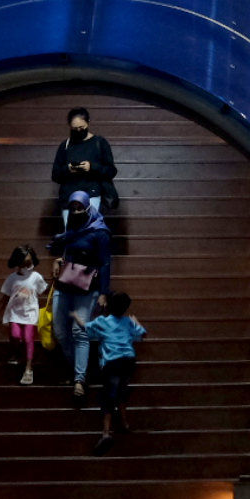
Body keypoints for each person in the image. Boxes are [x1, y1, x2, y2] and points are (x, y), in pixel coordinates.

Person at [48, 190, 113, 403]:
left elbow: (105, 263)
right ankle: (82, 368)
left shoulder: (99, 231)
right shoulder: (72, 225)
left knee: (80, 330)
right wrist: (59, 259)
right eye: (72, 206)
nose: (75, 210)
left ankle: (79, 379)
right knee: (59, 329)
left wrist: (104, 292)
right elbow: (67, 249)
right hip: (66, 281)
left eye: (79, 206)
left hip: (88, 285)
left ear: (87, 206)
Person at [85, 291, 147, 455]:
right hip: (128, 360)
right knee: (121, 392)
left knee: (108, 396)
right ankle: (124, 423)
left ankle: (106, 432)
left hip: (112, 362)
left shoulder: (103, 321)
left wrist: (97, 309)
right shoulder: (128, 321)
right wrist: (137, 322)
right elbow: (142, 334)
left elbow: (87, 328)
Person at [51, 106, 119, 228]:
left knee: (89, 234)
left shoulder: (99, 143)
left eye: (81, 127)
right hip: (69, 198)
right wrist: (68, 169)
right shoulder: (65, 146)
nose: (78, 131)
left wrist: (91, 167)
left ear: (88, 123)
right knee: (71, 237)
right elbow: (55, 175)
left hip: (91, 195)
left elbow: (111, 171)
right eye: (74, 128)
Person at [0, 245, 47, 385]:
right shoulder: (12, 278)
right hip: (14, 312)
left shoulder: (36, 276)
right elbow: (6, 295)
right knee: (15, 335)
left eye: (29, 262)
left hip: (31, 312)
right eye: (24, 262)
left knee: (28, 338)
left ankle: (28, 368)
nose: (27, 265)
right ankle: (15, 352)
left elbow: (43, 289)